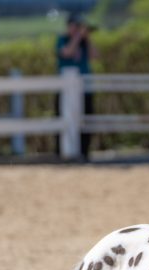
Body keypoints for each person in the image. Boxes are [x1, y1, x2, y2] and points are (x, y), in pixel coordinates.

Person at [55, 13, 97, 160]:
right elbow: (66, 53)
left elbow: (94, 56)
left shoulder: (85, 43)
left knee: (86, 119)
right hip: (66, 89)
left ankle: (85, 152)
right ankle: (61, 153)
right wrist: (77, 37)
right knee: (63, 120)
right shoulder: (63, 39)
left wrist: (88, 39)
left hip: (84, 87)